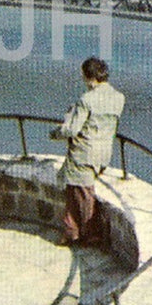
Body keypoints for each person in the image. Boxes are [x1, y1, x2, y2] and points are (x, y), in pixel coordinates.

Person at [50, 57, 124, 248]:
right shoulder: (119, 98)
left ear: (88, 76)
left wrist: (56, 132)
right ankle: (71, 232)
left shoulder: (86, 100)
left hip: (83, 154)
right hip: (103, 153)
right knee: (76, 191)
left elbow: (71, 129)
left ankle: (88, 236)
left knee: (81, 195)